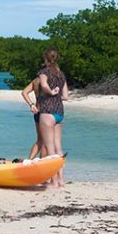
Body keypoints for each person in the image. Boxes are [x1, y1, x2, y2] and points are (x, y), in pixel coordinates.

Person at [37, 47, 69, 188]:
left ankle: (53, 181)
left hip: (47, 110)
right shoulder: (61, 75)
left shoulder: (43, 72)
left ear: (45, 58)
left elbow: (43, 85)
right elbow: (66, 96)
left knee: (50, 149)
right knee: (58, 148)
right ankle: (61, 180)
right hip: (59, 112)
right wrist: (56, 93)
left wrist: (50, 92)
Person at [21, 76, 48, 159]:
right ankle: (42, 164)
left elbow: (24, 92)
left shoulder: (35, 80)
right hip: (47, 111)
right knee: (46, 141)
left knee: (40, 140)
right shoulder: (48, 80)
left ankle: (29, 160)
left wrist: (31, 105)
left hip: (37, 111)